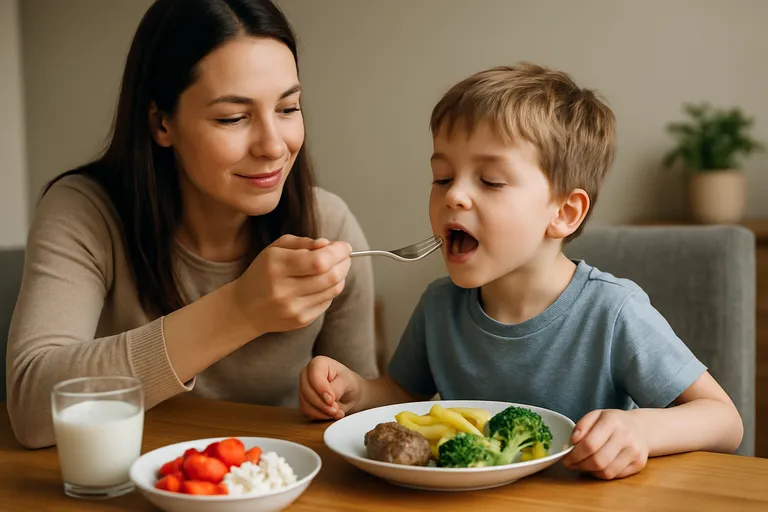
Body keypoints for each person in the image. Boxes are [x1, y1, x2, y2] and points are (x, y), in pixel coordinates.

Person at [299, 63, 744, 480]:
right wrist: (355, 391)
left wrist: (642, 431)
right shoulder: (439, 305)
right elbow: (402, 394)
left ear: (564, 213)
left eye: (490, 181)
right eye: (442, 177)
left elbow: (725, 421)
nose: (454, 195)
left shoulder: (613, 312)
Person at [6, 0, 378, 449]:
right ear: (162, 122)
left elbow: (363, 424)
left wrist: (342, 394)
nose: (273, 146)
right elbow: (30, 409)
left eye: (288, 108)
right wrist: (240, 310)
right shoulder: (85, 212)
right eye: (233, 117)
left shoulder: (328, 224)